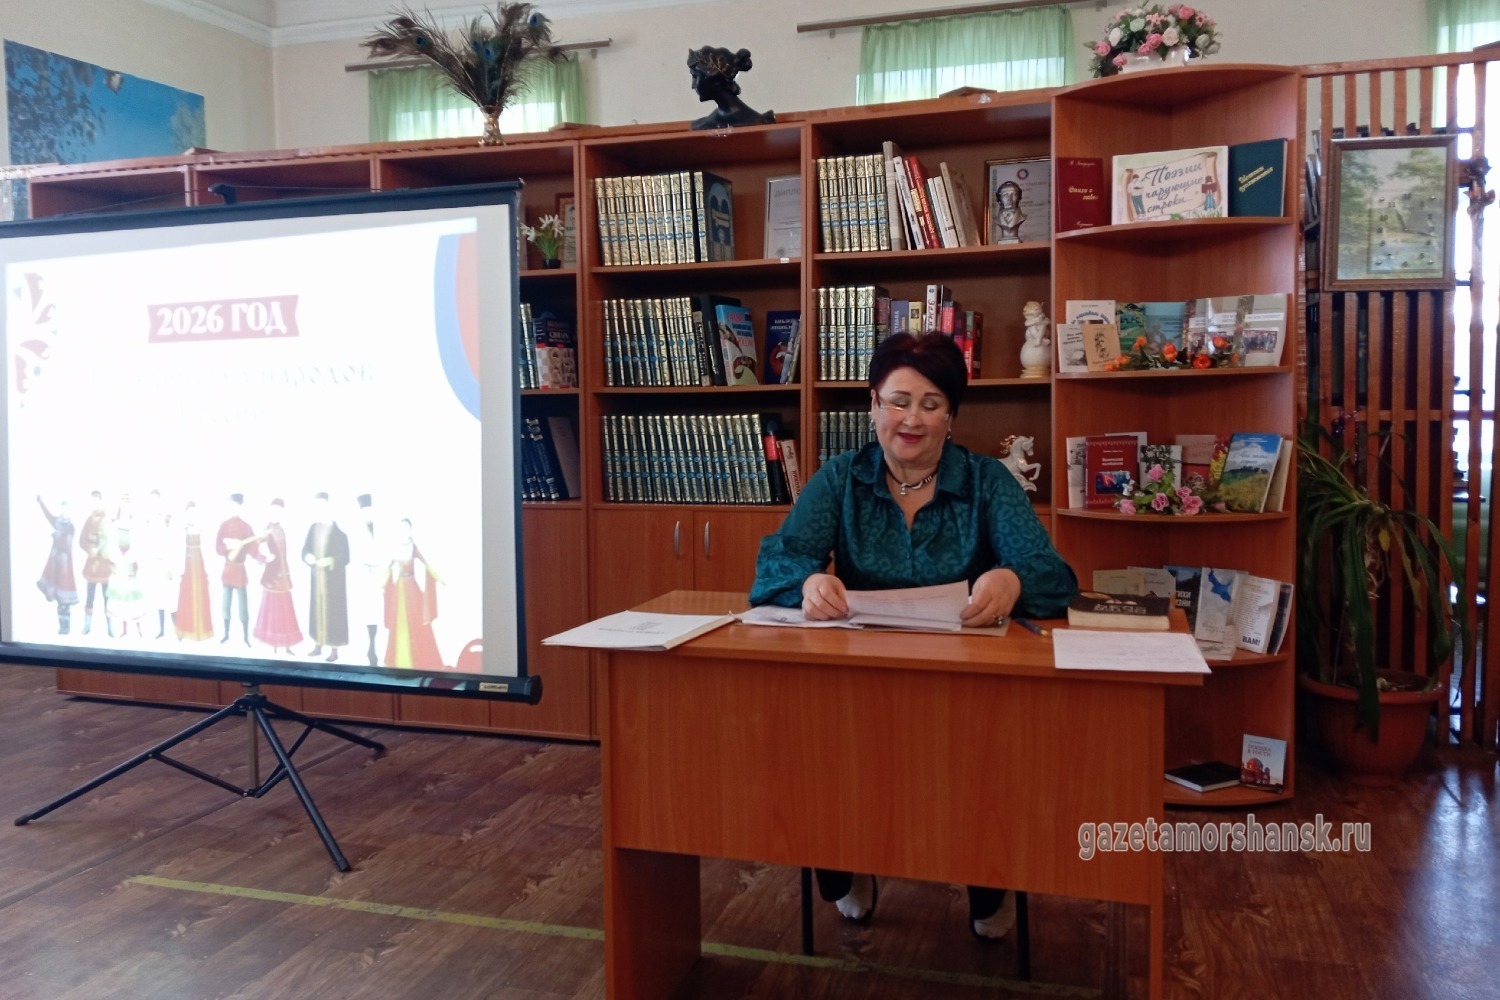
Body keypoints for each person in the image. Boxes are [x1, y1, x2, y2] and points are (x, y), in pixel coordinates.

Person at [749, 331, 1077, 940]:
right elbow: (777, 562)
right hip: (857, 682)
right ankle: (847, 862)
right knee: (821, 748)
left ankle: (989, 875)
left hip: (966, 686)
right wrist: (807, 583)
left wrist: (1011, 580)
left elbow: (1053, 575)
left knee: (983, 762)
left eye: (931, 404)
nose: (912, 419)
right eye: (898, 401)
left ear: (952, 415)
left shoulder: (985, 481)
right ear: (873, 404)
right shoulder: (842, 478)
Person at [301, 491, 350, 663]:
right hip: (317, 581)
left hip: (333, 583)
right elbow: (305, 550)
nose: (319, 509)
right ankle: (318, 645)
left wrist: (329, 561)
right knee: (317, 612)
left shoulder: (340, 534)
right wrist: (307, 557)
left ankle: (334, 649)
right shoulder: (313, 529)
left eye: (322, 505)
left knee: (333, 614)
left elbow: (345, 557)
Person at [251, 498, 303, 654]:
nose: (276, 513)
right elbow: (252, 547)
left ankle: (287, 645)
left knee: (285, 609)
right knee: (273, 608)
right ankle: (273, 646)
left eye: (279, 511)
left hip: (284, 575)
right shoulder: (266, 530)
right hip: (272, 576)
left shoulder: (282, 529)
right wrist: (263, 558)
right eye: (274, 510)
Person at [36, 494, 80, 634]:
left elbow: (67, 543)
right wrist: (41, 502)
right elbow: (48, 515)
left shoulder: (71, 526)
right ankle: (62, 627)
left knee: (64, 597)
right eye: (63, 508)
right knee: (57, 596)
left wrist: (57, 536)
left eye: (67, 509)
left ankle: (66, 627)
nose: (64, 511)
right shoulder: (57, 522)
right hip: (54, 564)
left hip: (65, 566)